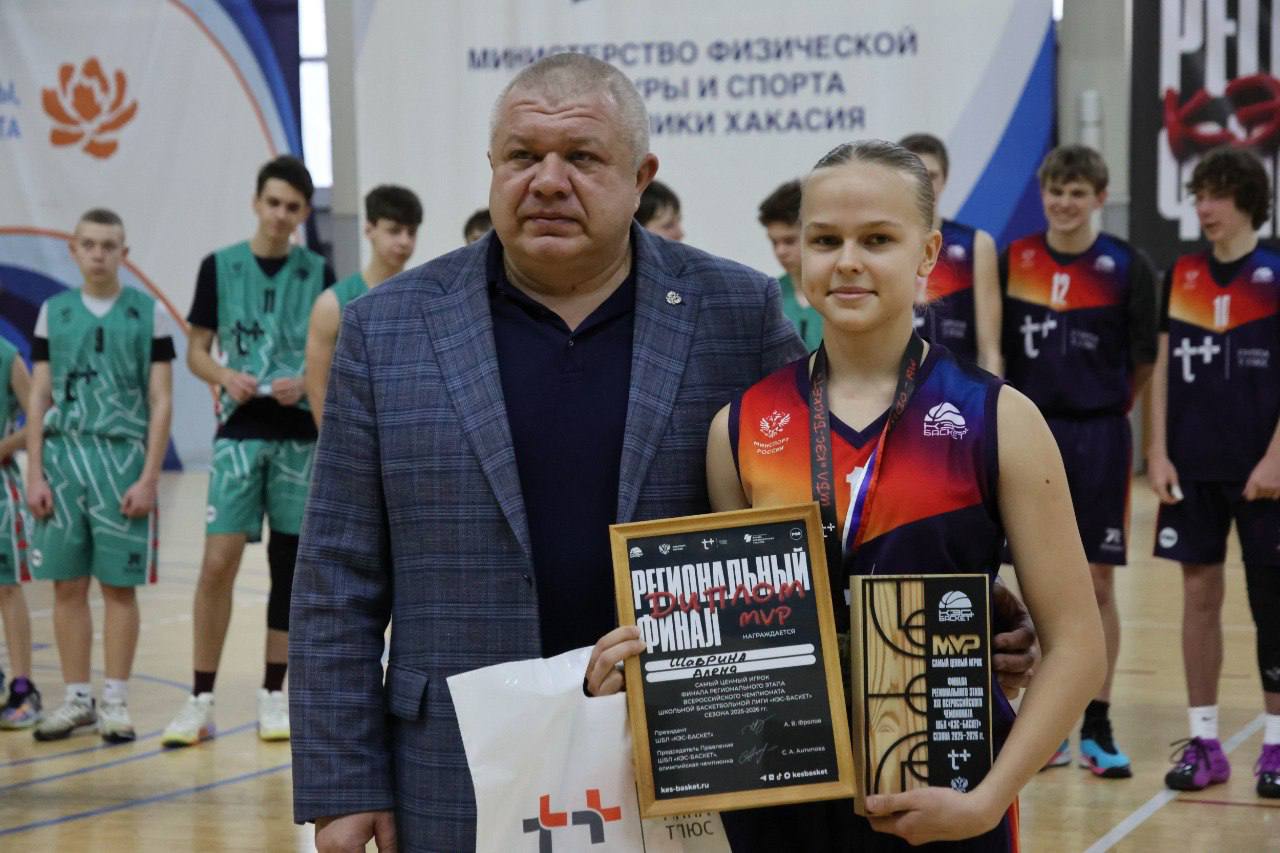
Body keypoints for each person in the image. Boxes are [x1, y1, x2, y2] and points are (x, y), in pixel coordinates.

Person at [289, 55, 1037, 852]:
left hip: (696, 759)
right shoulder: (386, 328)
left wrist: (951, 622)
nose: (547, 180)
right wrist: (344, 780)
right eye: (522, 155)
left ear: (641, 176)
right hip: (458, 759)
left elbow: (818, 508)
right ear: (492, 166)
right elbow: (337, 572)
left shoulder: (735, 311)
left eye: (581, 157)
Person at [594, 140, 1104, 851]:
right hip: (779, 795)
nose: (848, 261)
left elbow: (1078, 643)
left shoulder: (1000, 419)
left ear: (927, 254)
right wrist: (652, 657)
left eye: (878, 240)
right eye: (826, 240)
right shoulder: (740, 426)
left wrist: (988, 800)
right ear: (798, 253)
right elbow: (732, 632)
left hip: (944, 796)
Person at [164, 155, 334, 748]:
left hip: (299, 435)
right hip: (238, 432)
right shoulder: (219, 266)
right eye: (274, 203)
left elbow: (332, 348)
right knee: (218, 563)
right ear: (256, 202)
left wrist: (306, 381)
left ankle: (273, 693)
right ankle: (200, 697)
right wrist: (223, 375)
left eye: (293, 207)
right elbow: (196, 351)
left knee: (289, 567)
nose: (282, 215)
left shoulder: (318, 271)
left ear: (304, 213)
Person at [1000, 145, 1158, 778]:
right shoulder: (1015, 260)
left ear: (1099, 197)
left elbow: (1143, 361)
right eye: (1056, 191)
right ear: (1044, 194)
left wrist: (1108, 406)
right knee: (1033, 582)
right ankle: (1049, 727)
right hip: (1028, 433)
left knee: (1096, 583)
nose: (1064, 203)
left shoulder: (1126, 265)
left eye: (1077, 192)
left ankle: (1097, 720)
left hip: (1097, 436)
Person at [1148, 146, 1280, 799]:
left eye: (1217, 194)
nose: (1204, 207)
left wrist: (1277, 456)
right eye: (1198, 194)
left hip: (1263, 469)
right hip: (1193, 465)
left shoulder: (1274, 274)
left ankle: (1277, 745)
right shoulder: (1182, 273)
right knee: (1199, 598)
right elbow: (1163, 369)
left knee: (1271, 602)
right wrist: (1157, 450)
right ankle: (1205, 742)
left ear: (1248, 200)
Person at [27, 208, 175, 742]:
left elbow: (161, 401)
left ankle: (115, 700)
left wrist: (150, 477)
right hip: (64, 461)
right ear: (73, 249)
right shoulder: (54, 313)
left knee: (118, 587)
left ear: (124, 254)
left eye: (108, 245)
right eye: (88, 244)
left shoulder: (149, 314)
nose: (98, 253)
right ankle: (76, 699)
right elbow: (38, 397)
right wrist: (35, 473)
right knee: (67, 586)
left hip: (122, 463)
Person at [305, 184, 422, 424]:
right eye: (394, 230)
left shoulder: (423, 299)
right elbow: (317, 386)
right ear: (369, 229)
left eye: (411, 232)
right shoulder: (333, 303)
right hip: (355, 429)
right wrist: (332, 442)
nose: (404, 241)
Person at [898, 133, 1003, 374]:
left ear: (944, 180)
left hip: (957, 387)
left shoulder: (975, 244)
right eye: (914, 174)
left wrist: (991, 396)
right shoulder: (881, 244)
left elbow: (990, 350)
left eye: (931, 176)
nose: (924, 184)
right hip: (895, 387)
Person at [0, 337, 41, 730]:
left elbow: (38, 419)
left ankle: (23, 687)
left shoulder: (6, 356)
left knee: (6, 587)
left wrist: (5, 445)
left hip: (1, 491)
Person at [759, 179, 823, 350]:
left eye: (789, 241)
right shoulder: (768, 298)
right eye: (774, 242)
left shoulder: (843, 294)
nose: (780, 251)